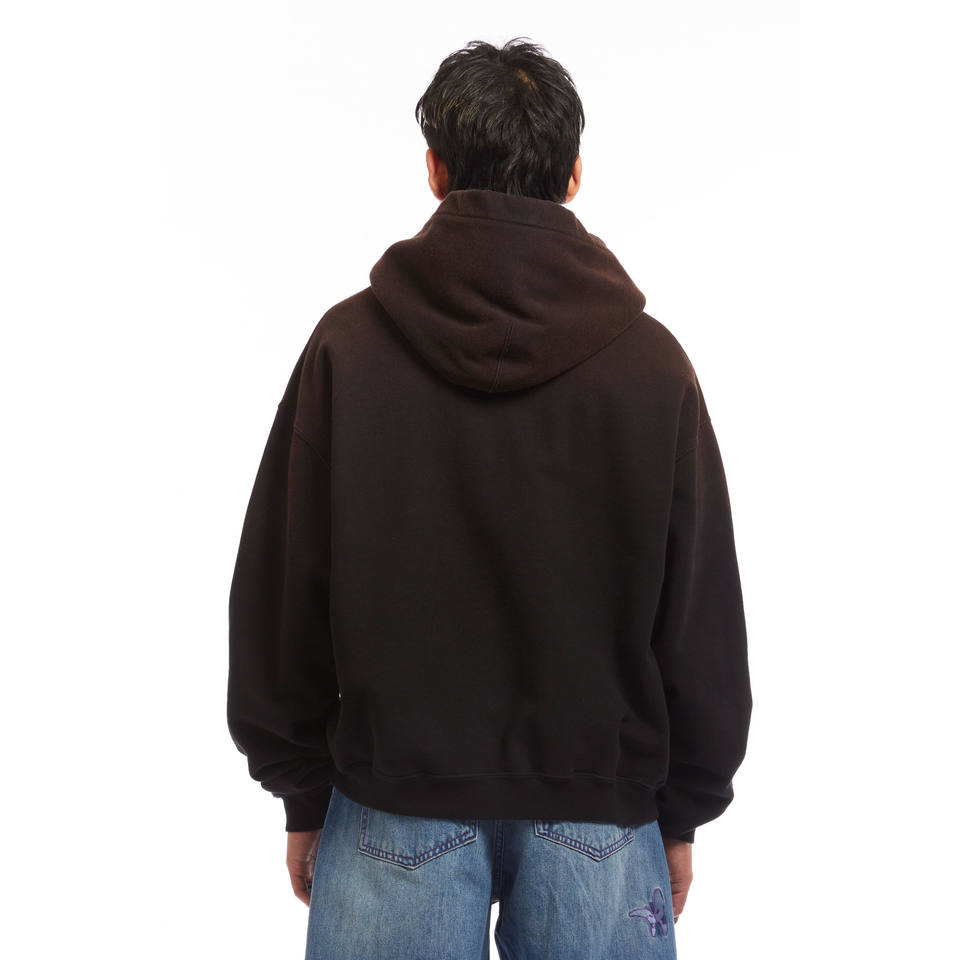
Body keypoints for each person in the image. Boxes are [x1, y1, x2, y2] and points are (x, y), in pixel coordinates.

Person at [227, 36, 752, 960]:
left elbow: (281, 590)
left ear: (434, 169)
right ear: (574, 174)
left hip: (392, 804)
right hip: (599, 816)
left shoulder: (348, 349)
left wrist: (303, 788)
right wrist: (682, 811)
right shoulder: (652, 367)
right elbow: (700, 616)